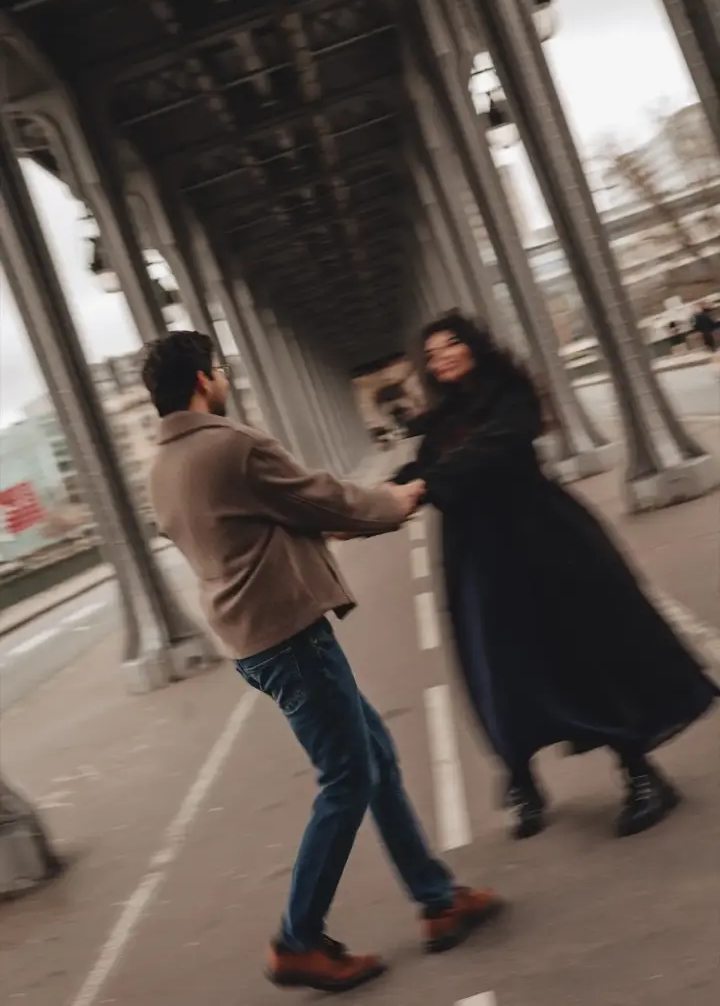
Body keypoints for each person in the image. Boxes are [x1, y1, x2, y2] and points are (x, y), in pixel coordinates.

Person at [141, 331, 503, 994]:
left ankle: (436, 897)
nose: (224, 378)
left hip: (255, 641)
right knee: (346, 779)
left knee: (375, 759)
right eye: (218, 368)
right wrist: (396, 501)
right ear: (201, 381)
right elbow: (321, 497)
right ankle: (298, 939)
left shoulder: (159, 466)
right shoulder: (232, 444)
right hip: (290, 636)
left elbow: (249, 524)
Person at [393, 311, 718, 842]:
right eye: (432, 353)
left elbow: (496, 448)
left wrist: (422, 486)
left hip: (543, 542)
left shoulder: (511, 395)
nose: (443, 356)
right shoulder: (440, 420)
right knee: (497, 667)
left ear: (475, 346)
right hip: (478, 558)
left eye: (452, 344)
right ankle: (522, 779)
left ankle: (641, 773)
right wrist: (362, 508)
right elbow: (415, 472)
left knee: (583, 652)